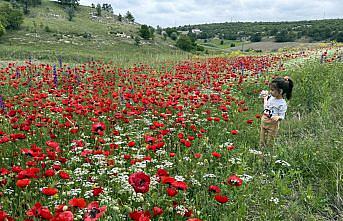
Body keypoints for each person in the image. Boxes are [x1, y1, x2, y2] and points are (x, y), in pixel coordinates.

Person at [259, 76, 293, 147]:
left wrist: (278, 117)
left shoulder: (282, 103)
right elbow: (266, 107)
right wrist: (265, 99)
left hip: (272, 124)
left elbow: (282, 115)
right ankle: (261, 149)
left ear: (280, 91)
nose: (270, 92)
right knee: (262, 139)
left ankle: (268, 152)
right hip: (264, 120)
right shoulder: (271, 98)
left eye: (272, 90)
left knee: (270, 140)